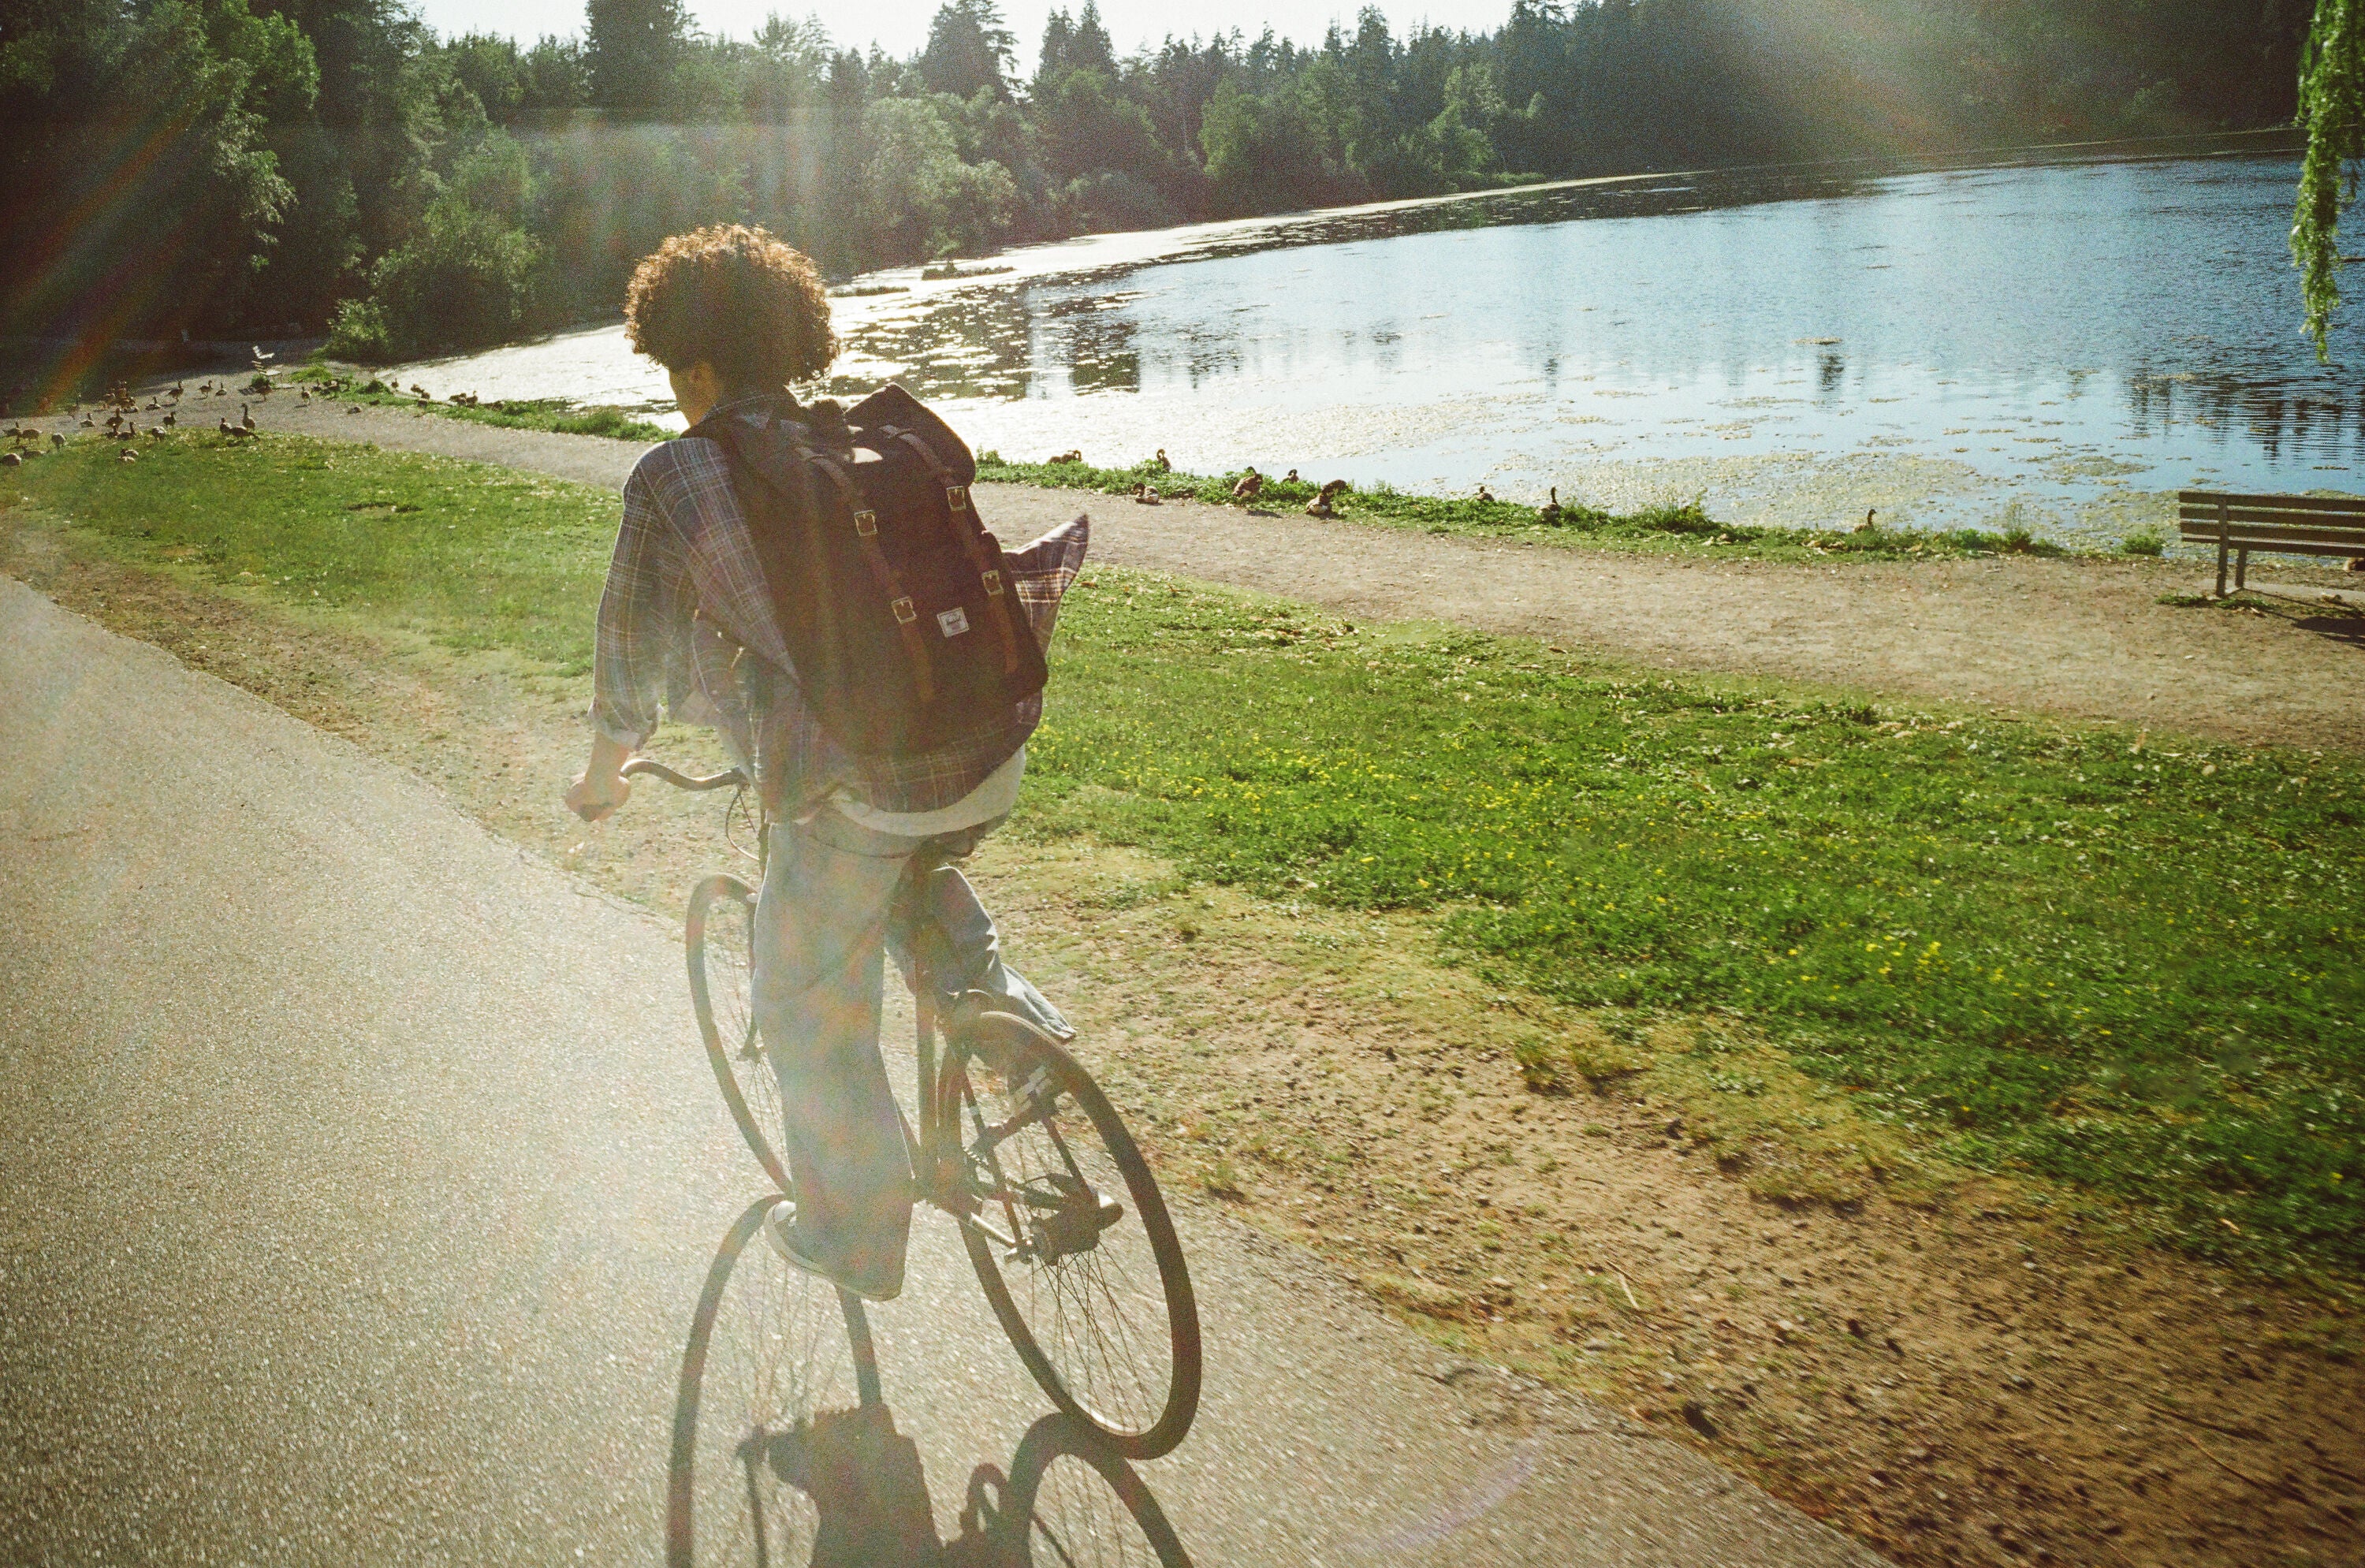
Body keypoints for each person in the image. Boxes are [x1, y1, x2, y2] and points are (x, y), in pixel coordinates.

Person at [566, 225, 1086, 1302]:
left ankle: (858, 1231)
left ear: (694, 368)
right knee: (904, 870)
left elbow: (630, 646)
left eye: (671, 373)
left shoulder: (678, 474)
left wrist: (606, 768)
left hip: (861, 781)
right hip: (989, 747)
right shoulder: (861, 441)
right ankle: (1018, 1040)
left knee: (805, 1002)